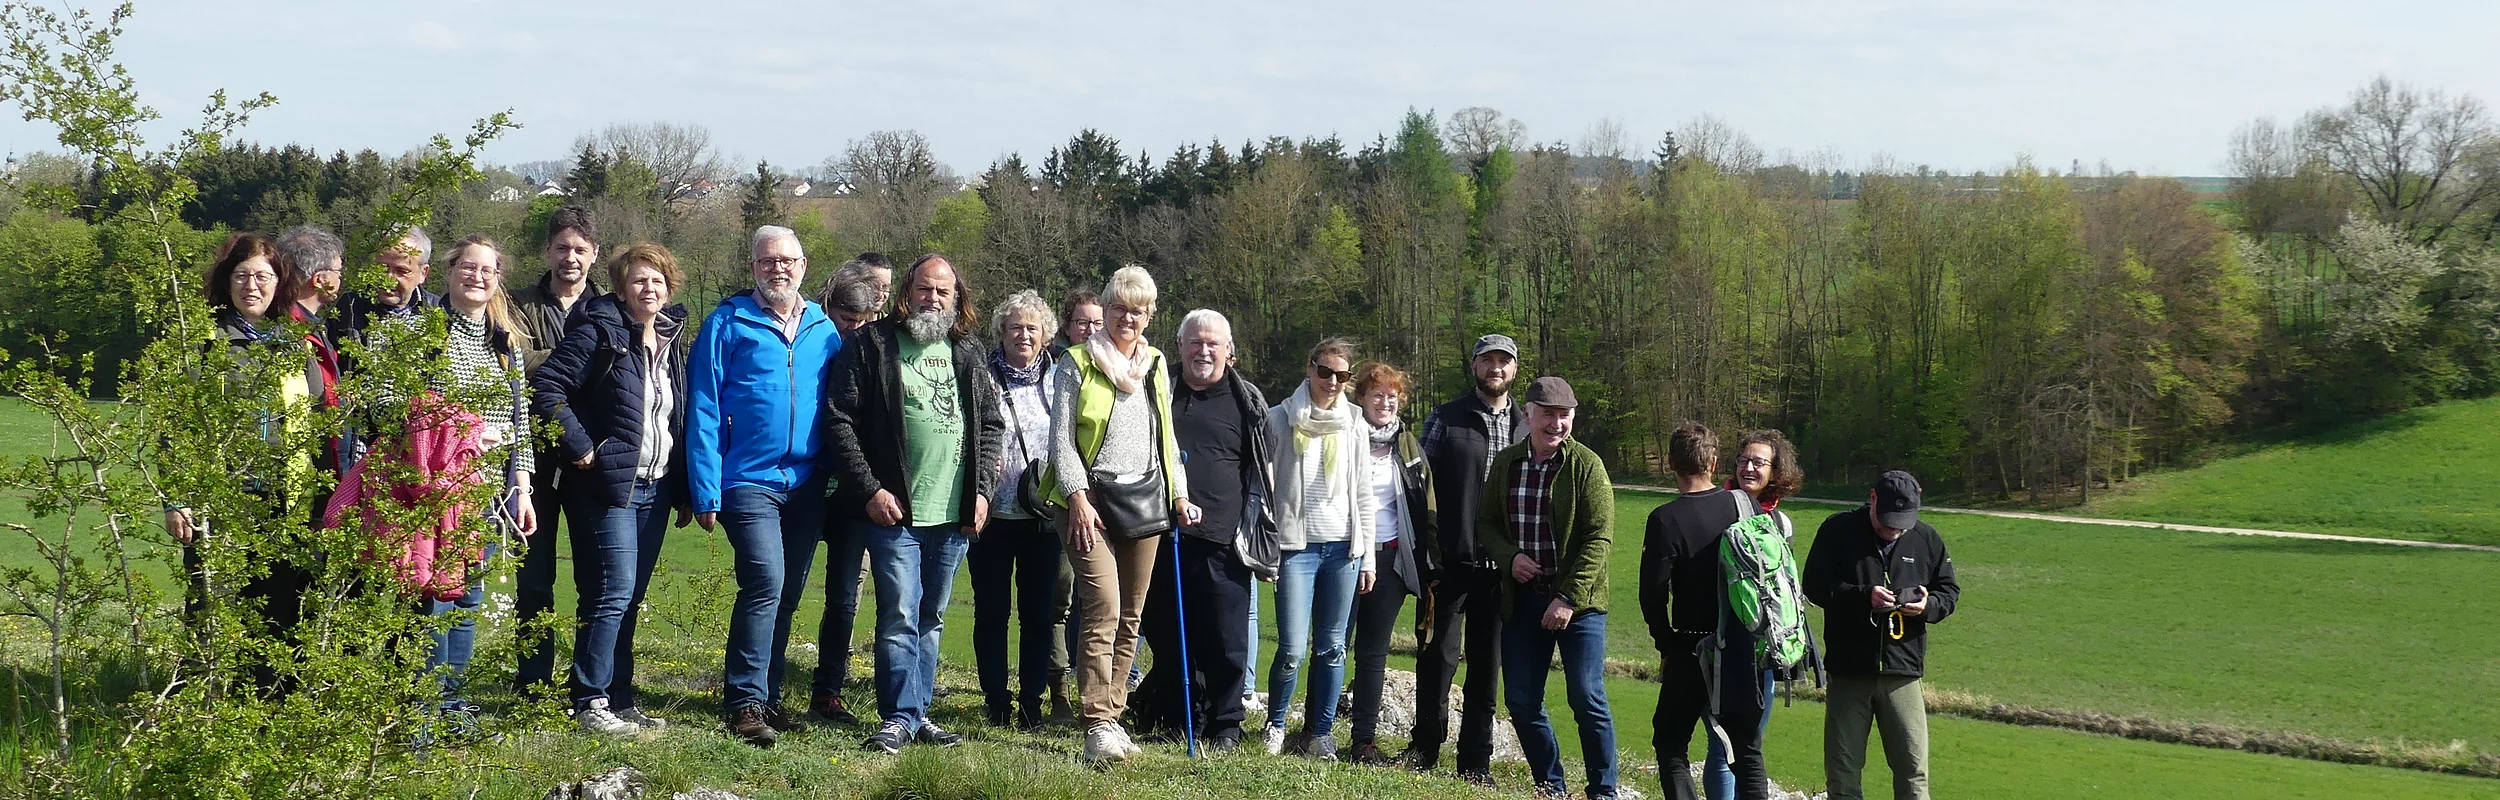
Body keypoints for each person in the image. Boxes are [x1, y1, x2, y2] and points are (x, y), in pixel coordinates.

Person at [823, 253, 1004, 753]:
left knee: (932, 616)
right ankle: (898, 716)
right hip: (894, 510)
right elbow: (840, 421)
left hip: (953, 515)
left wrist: (983, 491)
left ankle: (917, 714)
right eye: (925, 289)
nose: (933, 299)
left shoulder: (967, 350)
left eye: (943, 292)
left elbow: (990, 426)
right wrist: (869, 490)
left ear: (957, 298)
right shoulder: (871, 345)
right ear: (907, 292)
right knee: (899, 614)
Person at [686, 225, 840, 746]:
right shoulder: (727, 323)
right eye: (768, 261)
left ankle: (770, 698)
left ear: (803, 265)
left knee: (789, 594)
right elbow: (703, 407)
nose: (779, 268)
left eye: (788, 260)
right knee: (764, 582)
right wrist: (705, 488)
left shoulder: (823, 328)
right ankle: (744, 701)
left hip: (806, 480)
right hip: (746, 480)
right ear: (753, 268)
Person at [530, 242, 690, 736]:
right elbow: (546, 388)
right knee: (610, 591)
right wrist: (580, 447)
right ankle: (589, 700)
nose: (650, 288)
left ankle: (620, 697)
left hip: (655, 484)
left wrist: (683, 487)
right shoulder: (600, 329)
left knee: (630, 593)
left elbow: (676, 416)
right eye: (640, 280)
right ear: (621, 287)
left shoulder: (671, 339)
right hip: (606, 484)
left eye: (658, 280)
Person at [1051, 266, 1195, 764]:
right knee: (1103, 608)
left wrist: (1179, 494)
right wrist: (1076, 497)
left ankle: (1113, 714)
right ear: (1106, 310)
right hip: (1088, 505)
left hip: (1145, 500)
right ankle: (1096, 724)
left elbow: (1166, 438)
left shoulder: (1155, 364)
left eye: (1137, 311)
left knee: (1131, 615)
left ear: (1149, 315)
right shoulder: (1075, 363)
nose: (1126, 318)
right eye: (1119, 309)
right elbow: (1061, 441)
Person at [165, 232, 314, 693]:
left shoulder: (297, 345)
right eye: (242, 275)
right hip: (221, 504)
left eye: (263, 276)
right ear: (226, 281)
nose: (253, 286)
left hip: (287, 505)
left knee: (281, 614)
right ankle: (204, 709)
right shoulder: (204, 346)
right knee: (213, 609)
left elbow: (323, 422)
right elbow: (177, 428)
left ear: (279, 283)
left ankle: (270, 713)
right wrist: (177, 499)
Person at [416, 234, 539, 729]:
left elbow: (522, 420)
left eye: (487, 270)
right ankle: (421, 711)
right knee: (431, 601)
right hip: (432, 493)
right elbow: (396, 407)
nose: (477, 277)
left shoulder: (504, 343)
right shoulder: (424, 334)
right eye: (468, 267)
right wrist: (468, 430)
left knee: (467, 600)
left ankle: (453, 705)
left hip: (487, 493)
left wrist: (523, 488)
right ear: (448, 272)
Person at [1134, 309, 1272, 751]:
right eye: (1195, 342)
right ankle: (1180, 715)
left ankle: (1226, 725)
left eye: (1213, 343)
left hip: (1224, 541)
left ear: (1229, 351)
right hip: (1162, 536)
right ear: (1179, 346)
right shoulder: (1156, 390)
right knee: (1169, 635)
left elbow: (1263, 473)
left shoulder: (1247, 400)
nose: (1203, 350)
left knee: (1227, 642)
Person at [1481, 377, 1618, 800]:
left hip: (1580, 606)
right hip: (1523, 600)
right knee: (1521, 700)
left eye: (1564, 416)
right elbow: (1485, 523)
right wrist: (1510, 557)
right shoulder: (1506, 464)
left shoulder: (1587, 466)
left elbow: (1599, 539)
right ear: (1529, 415)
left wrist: (1568, 598)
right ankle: (1551, 785)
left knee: (1586, 698)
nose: (1556, 424)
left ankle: (1603, 790)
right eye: (1548, 415)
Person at [1408, 333, 1527, 784]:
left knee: (1486, 668)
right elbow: (1418, 486)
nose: (1496, 368)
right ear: (1474, 367)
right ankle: (1424, 748)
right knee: (1436, 658)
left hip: (1503, 571)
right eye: (1488, 361)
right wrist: (1427, 556)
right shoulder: (1446, 418)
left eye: (1504, 362)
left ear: (1514, 370)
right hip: (1450, 565)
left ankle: (1475, 761)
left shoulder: (1525, 425)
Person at [1803, 471, 1959, 800]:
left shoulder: (1927, 539)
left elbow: (1949, 592)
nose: (1895, 530)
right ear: (1872, 499)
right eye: (1888, 522)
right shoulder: (1837, 530)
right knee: (1843, 774)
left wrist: (1928, 606)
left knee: (1913, 772)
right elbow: (1814, 586)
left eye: (1902, 523)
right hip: (1849, 672)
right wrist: (1863, 596)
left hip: (1903, 673)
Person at [1259, 337, 1376, 760]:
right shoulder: (1279, 419)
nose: (1332, 382)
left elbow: (1363, 492)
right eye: (1325, 371)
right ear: (1309, 368)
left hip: (1343, 550)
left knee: (1332, 648)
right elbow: (1262, 485)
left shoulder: (1355, 424)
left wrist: (1368, 556)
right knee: (1292, 648)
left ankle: (1319, 734)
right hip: (1296, 549)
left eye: (1342, 376)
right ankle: (1275, 723)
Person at [1640, 422, 1769, 800]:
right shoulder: (1744, 504)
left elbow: (1652, 595)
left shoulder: (1665, 519)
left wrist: (1667, 644)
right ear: (1714, 462)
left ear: (1669, 463)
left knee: (1670, 741)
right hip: (1743, 646)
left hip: (1692, 647)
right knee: (1745, 747)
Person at [964, 289, 1065, 731]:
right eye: (1014, 327)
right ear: (1000, 333)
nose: (1023, 335)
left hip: (1043, 516)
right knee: (991, 610)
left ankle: (1031, 703)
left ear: (1045, 335)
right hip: (990, 513)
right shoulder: (978, 375)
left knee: (1039, 614)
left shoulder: (1063, 377)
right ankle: (995, 699)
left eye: (1031, 328)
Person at [510, 205, 601, 697]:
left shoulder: (609, 306)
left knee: (595, 581)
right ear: (547, 251)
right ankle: (532, 684)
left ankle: (586, 685)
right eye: (562, 247)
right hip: (532, 461)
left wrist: (552, 364)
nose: (571, 257)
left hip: (589, 458)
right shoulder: (517, 303)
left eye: (580, 250)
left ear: (594, 255)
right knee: (534, 580)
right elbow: (516, 361)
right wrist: (580, 359)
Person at [807, 255, 894, 727]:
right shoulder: (813, 339)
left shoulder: (874, 351)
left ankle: (828, 691)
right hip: (803, 481)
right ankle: (765, 688)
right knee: (781, 588)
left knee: (845, 595)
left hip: (853, 490)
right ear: (829, 309)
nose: (855, 329)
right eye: (847, 320)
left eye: (864, 321)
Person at [1702, 430, 1803, 799]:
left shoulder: (1782, 525)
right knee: (1723, 744)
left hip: (1763, 651)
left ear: (1776, 471)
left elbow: (1786, 590)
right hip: (1724, 646)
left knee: (1752, 744)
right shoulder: (1716, 509)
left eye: (1759, 462)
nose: (1748, 467)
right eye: (1744, 460)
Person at [1344, 361, 1435, 766]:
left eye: (1392, 397)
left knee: (1373, 653)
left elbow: (1426, 504)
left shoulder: (1409, 446)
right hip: (1343, 556)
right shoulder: (1343, 435)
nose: (1385, 403)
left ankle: (1363, 739)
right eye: (1377, 394)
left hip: (1390, 559)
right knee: (1331, 646)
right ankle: (1317, 729)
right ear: (1360, 397)